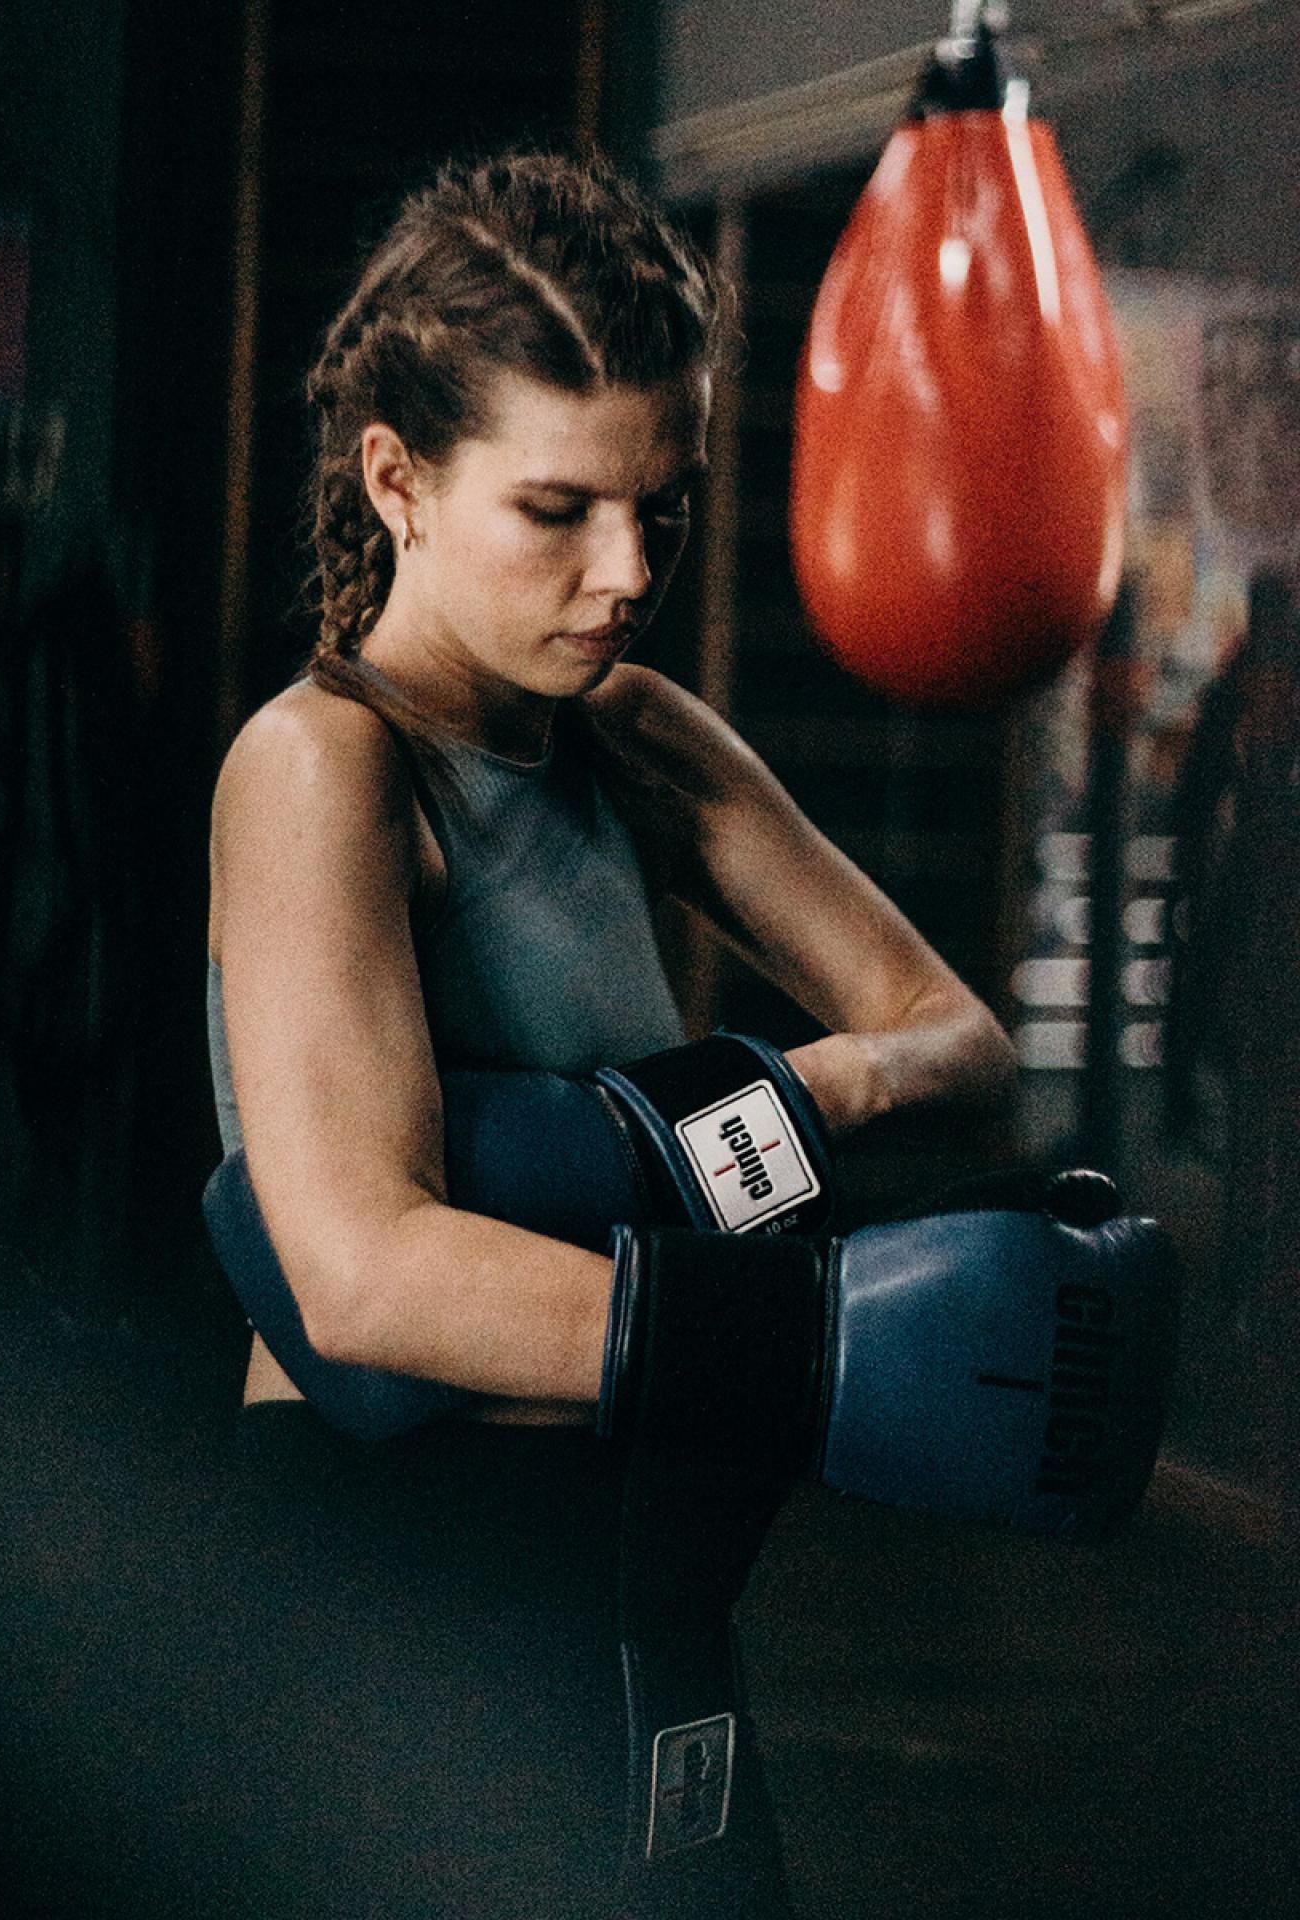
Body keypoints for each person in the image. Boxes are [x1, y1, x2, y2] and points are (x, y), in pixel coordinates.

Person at [204, 152, 1016, 1919]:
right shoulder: (322, 768)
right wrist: (815, 1350)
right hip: (404, 1560)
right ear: (397, 481)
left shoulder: (635, 738)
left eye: (664, 502)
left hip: (646, 1542)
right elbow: (357, 1278)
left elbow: (955, 1039)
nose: (628, 567)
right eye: (559, 510)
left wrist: (705, 1120)